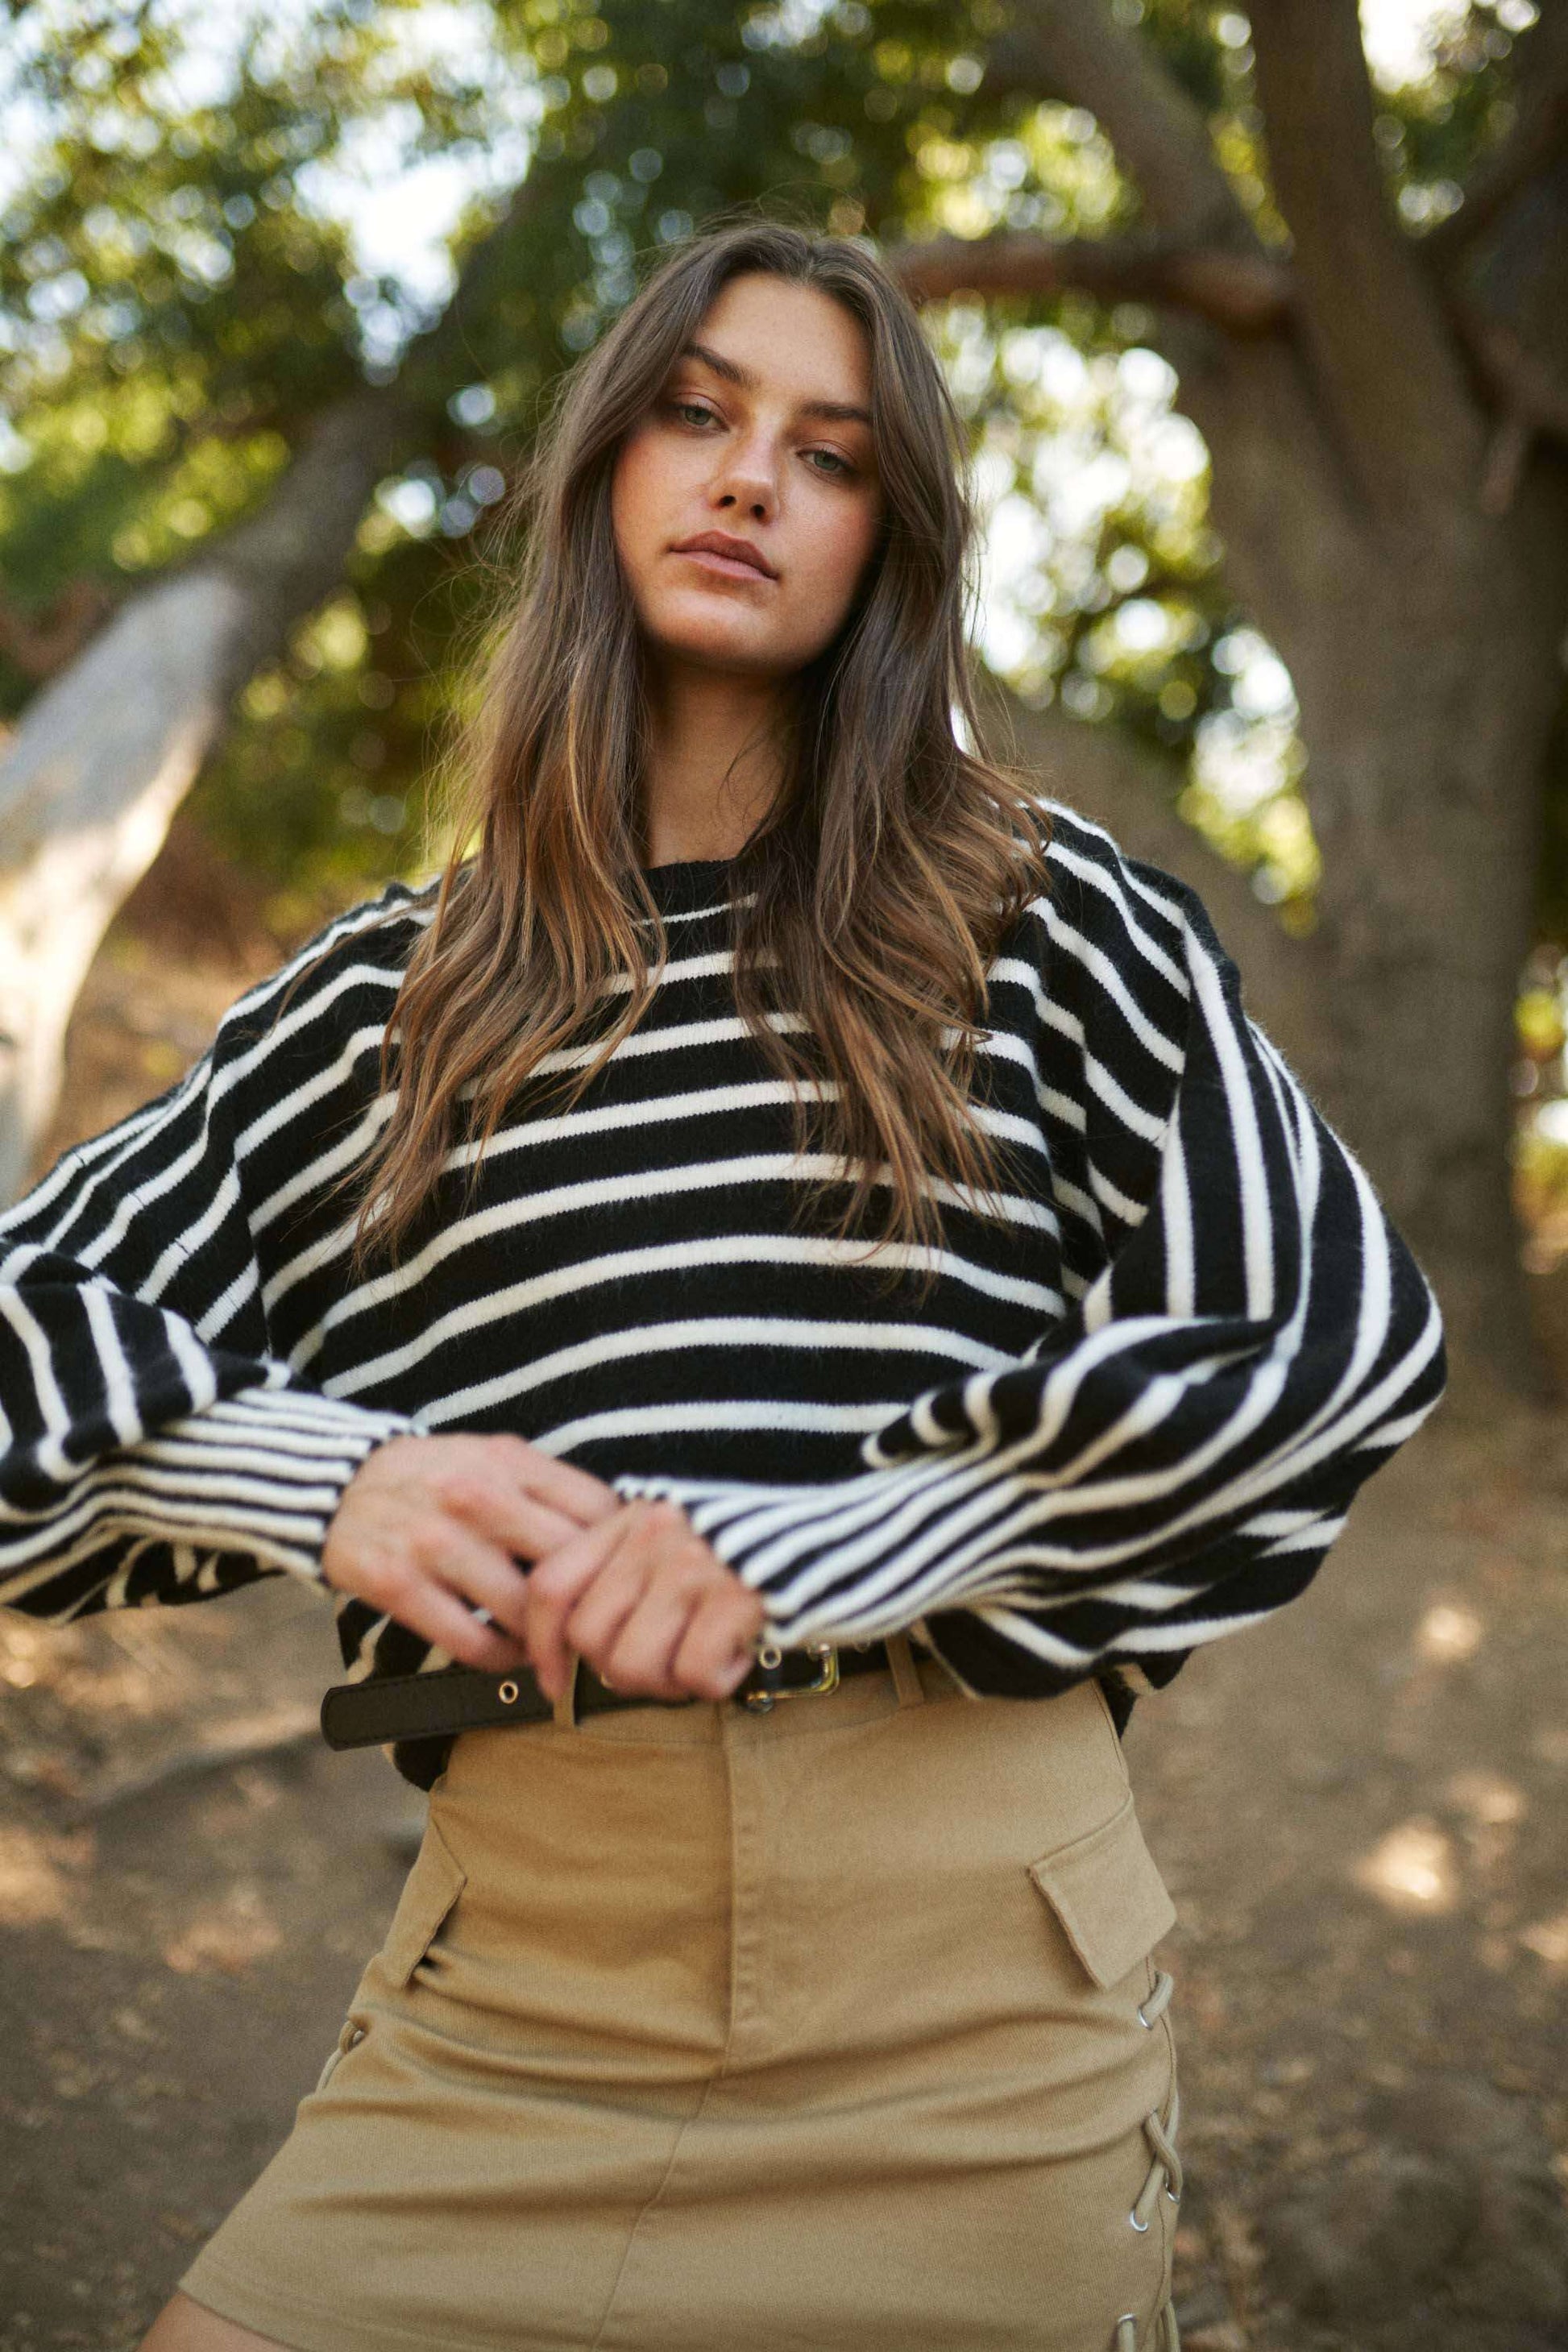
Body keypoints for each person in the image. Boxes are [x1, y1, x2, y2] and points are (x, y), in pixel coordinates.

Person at [0, 217, 1445, 2352]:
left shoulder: (1045, 922)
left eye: (828, 449)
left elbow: (1325, 1340)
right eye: (696, 413)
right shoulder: (381, 1005)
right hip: (509, 1993)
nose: (749, 474)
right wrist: (319, 1479)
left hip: (962, 2007)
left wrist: (829, 1543)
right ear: (601, 472)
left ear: (891, 541)